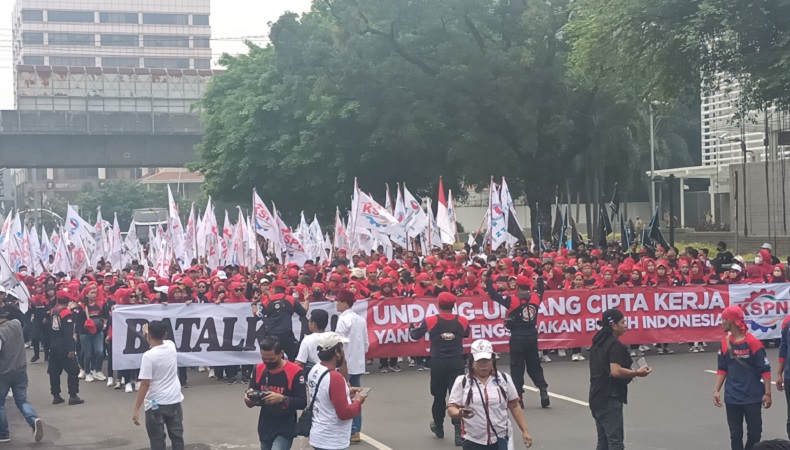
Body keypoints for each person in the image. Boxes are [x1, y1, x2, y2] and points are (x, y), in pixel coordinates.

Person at [447, 339, 533, 450]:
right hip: (472, 440)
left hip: (500, 439)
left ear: (493, 360)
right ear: (472, 362)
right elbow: (451, 408)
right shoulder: (462, 382)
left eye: (487, 360)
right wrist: (459, 413)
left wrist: (525, 431)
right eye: (479, 361)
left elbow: (515, 406)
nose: (483, 364)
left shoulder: (504, 379)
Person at [409, 291, 469, 445]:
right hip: (456, 362)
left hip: (438, 362)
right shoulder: (462, 320)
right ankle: (458, 432)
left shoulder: (431, 320)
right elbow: (466, 334)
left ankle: (438, 426)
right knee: (457, 397)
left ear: (438, 304)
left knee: (438, 396)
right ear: (453, 305)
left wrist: (411, 328)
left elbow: (415, 336)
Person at [589, 308, 652, 450]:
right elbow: (616, 371)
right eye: (622, 322)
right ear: (614, 325)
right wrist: (637, 373)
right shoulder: (614, 345)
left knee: (603, 441)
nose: (625, 325)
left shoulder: (597, 343)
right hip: (609, 397)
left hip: (596, 395)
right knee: (615, 442)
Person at [485, 273, 550, 408]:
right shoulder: (536, 298)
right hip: (532, 337)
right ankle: (543, 390)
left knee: (517, 368)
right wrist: (539, 277)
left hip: (517, 338)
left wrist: (488, 280)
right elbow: (541, 289)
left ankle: (519, 397)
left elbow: (492, 294)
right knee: (534, 365)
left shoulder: (511, 300)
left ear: (518, 287)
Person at [714, 306, 772, 450]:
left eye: (723, 319)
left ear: (731, 321)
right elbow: (722, 369)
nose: (721, 323)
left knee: (755, 433)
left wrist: (767, 393)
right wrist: (716, 390)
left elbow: (765, 370)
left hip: (752, 396)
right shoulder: (725, 343)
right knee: (735, 434)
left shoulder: (753, 343)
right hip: (732, 397)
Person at [245, 336, 307, 450]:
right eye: (264, 358)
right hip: (265, 425)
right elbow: (252, 395)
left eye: (271, 359)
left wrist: (282, 399)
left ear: (281, 353)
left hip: (285, 425)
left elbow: (302, 402)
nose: (267, 362)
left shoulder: (295, 372)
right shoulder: (259, 368)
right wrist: (249, 399)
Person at [308, 332, 367, 450]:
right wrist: (358, 401)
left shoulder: (315, 369)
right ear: (337, 352)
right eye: (342, 349)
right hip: (332, 440)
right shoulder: (335, 377)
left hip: (318, 435)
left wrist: (346, 391)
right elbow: (344, 413)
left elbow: (325, 394)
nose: (344, 352)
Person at [132, 320, 185, 450]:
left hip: (155, 403)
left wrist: (136, 408)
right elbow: (158, 344)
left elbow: (145, 383)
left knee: (157, 440)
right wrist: (148, 335)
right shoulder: (171, 346)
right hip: (174, 399)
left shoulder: (148, 356)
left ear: (149, 335)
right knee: (177, 437)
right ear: (165, 334)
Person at [0, 304, 44, 443]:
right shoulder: (16, 324)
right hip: (20, 369)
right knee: (22, 400)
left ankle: (3, 434)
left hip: (3, 372)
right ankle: (33, 419)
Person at [335, 289, 369, 443]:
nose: (336, 304)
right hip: (358, 363)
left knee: (346, 396)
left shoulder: (343, 320)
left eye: (338, 301)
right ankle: (356, 429)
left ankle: (352, 429)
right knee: (355, 396)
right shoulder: (360, 320)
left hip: (346, 364)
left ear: (344, 303)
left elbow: (339, 343)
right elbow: (366, 344)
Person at [48, 288, 84, 406]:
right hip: (63, 344)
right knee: (73, 370)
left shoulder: (53, 311)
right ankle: (73, 395)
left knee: (54, 370)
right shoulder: (66, 313)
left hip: (53, 343)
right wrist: (71, 349)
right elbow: (68, 333)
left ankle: (56, 395)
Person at [295, 309, 329, 375]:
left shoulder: (308, 339)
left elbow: (299, 362)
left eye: (310, 320)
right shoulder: (333, 337)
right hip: (330, 372)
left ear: (313, 324)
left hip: (314, 374)